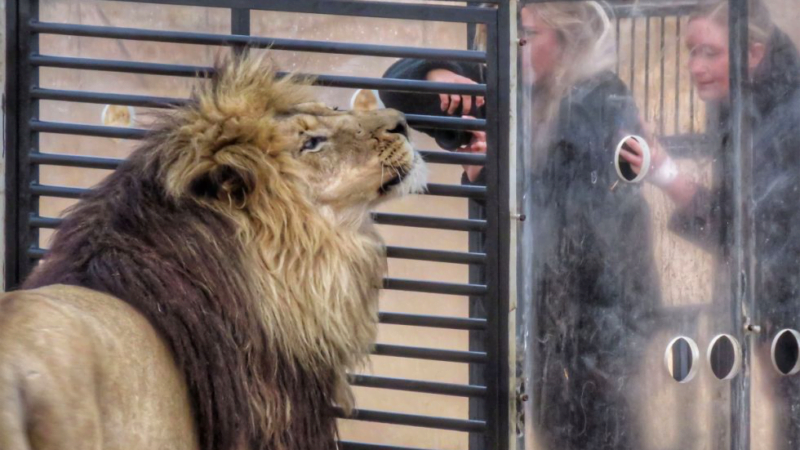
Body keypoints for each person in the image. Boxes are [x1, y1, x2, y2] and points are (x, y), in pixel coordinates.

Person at [380, 2, 661, 449]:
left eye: (528, 35)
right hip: (539, 328)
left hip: (597, 330)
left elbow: (572, 222)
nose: (516, 46)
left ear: (565, 45)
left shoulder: (599, 97)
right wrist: (436, 73)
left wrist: (493, 178)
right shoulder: (507, 92)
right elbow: (393, 88)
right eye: (512, 34)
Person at [621, 0, 800, 447]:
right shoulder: (740, 102)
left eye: (709, 52)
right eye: (690, 50)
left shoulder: (787, 118)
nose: (693, 66)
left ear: (753, 53)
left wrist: (665, 173)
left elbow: (749, 230)